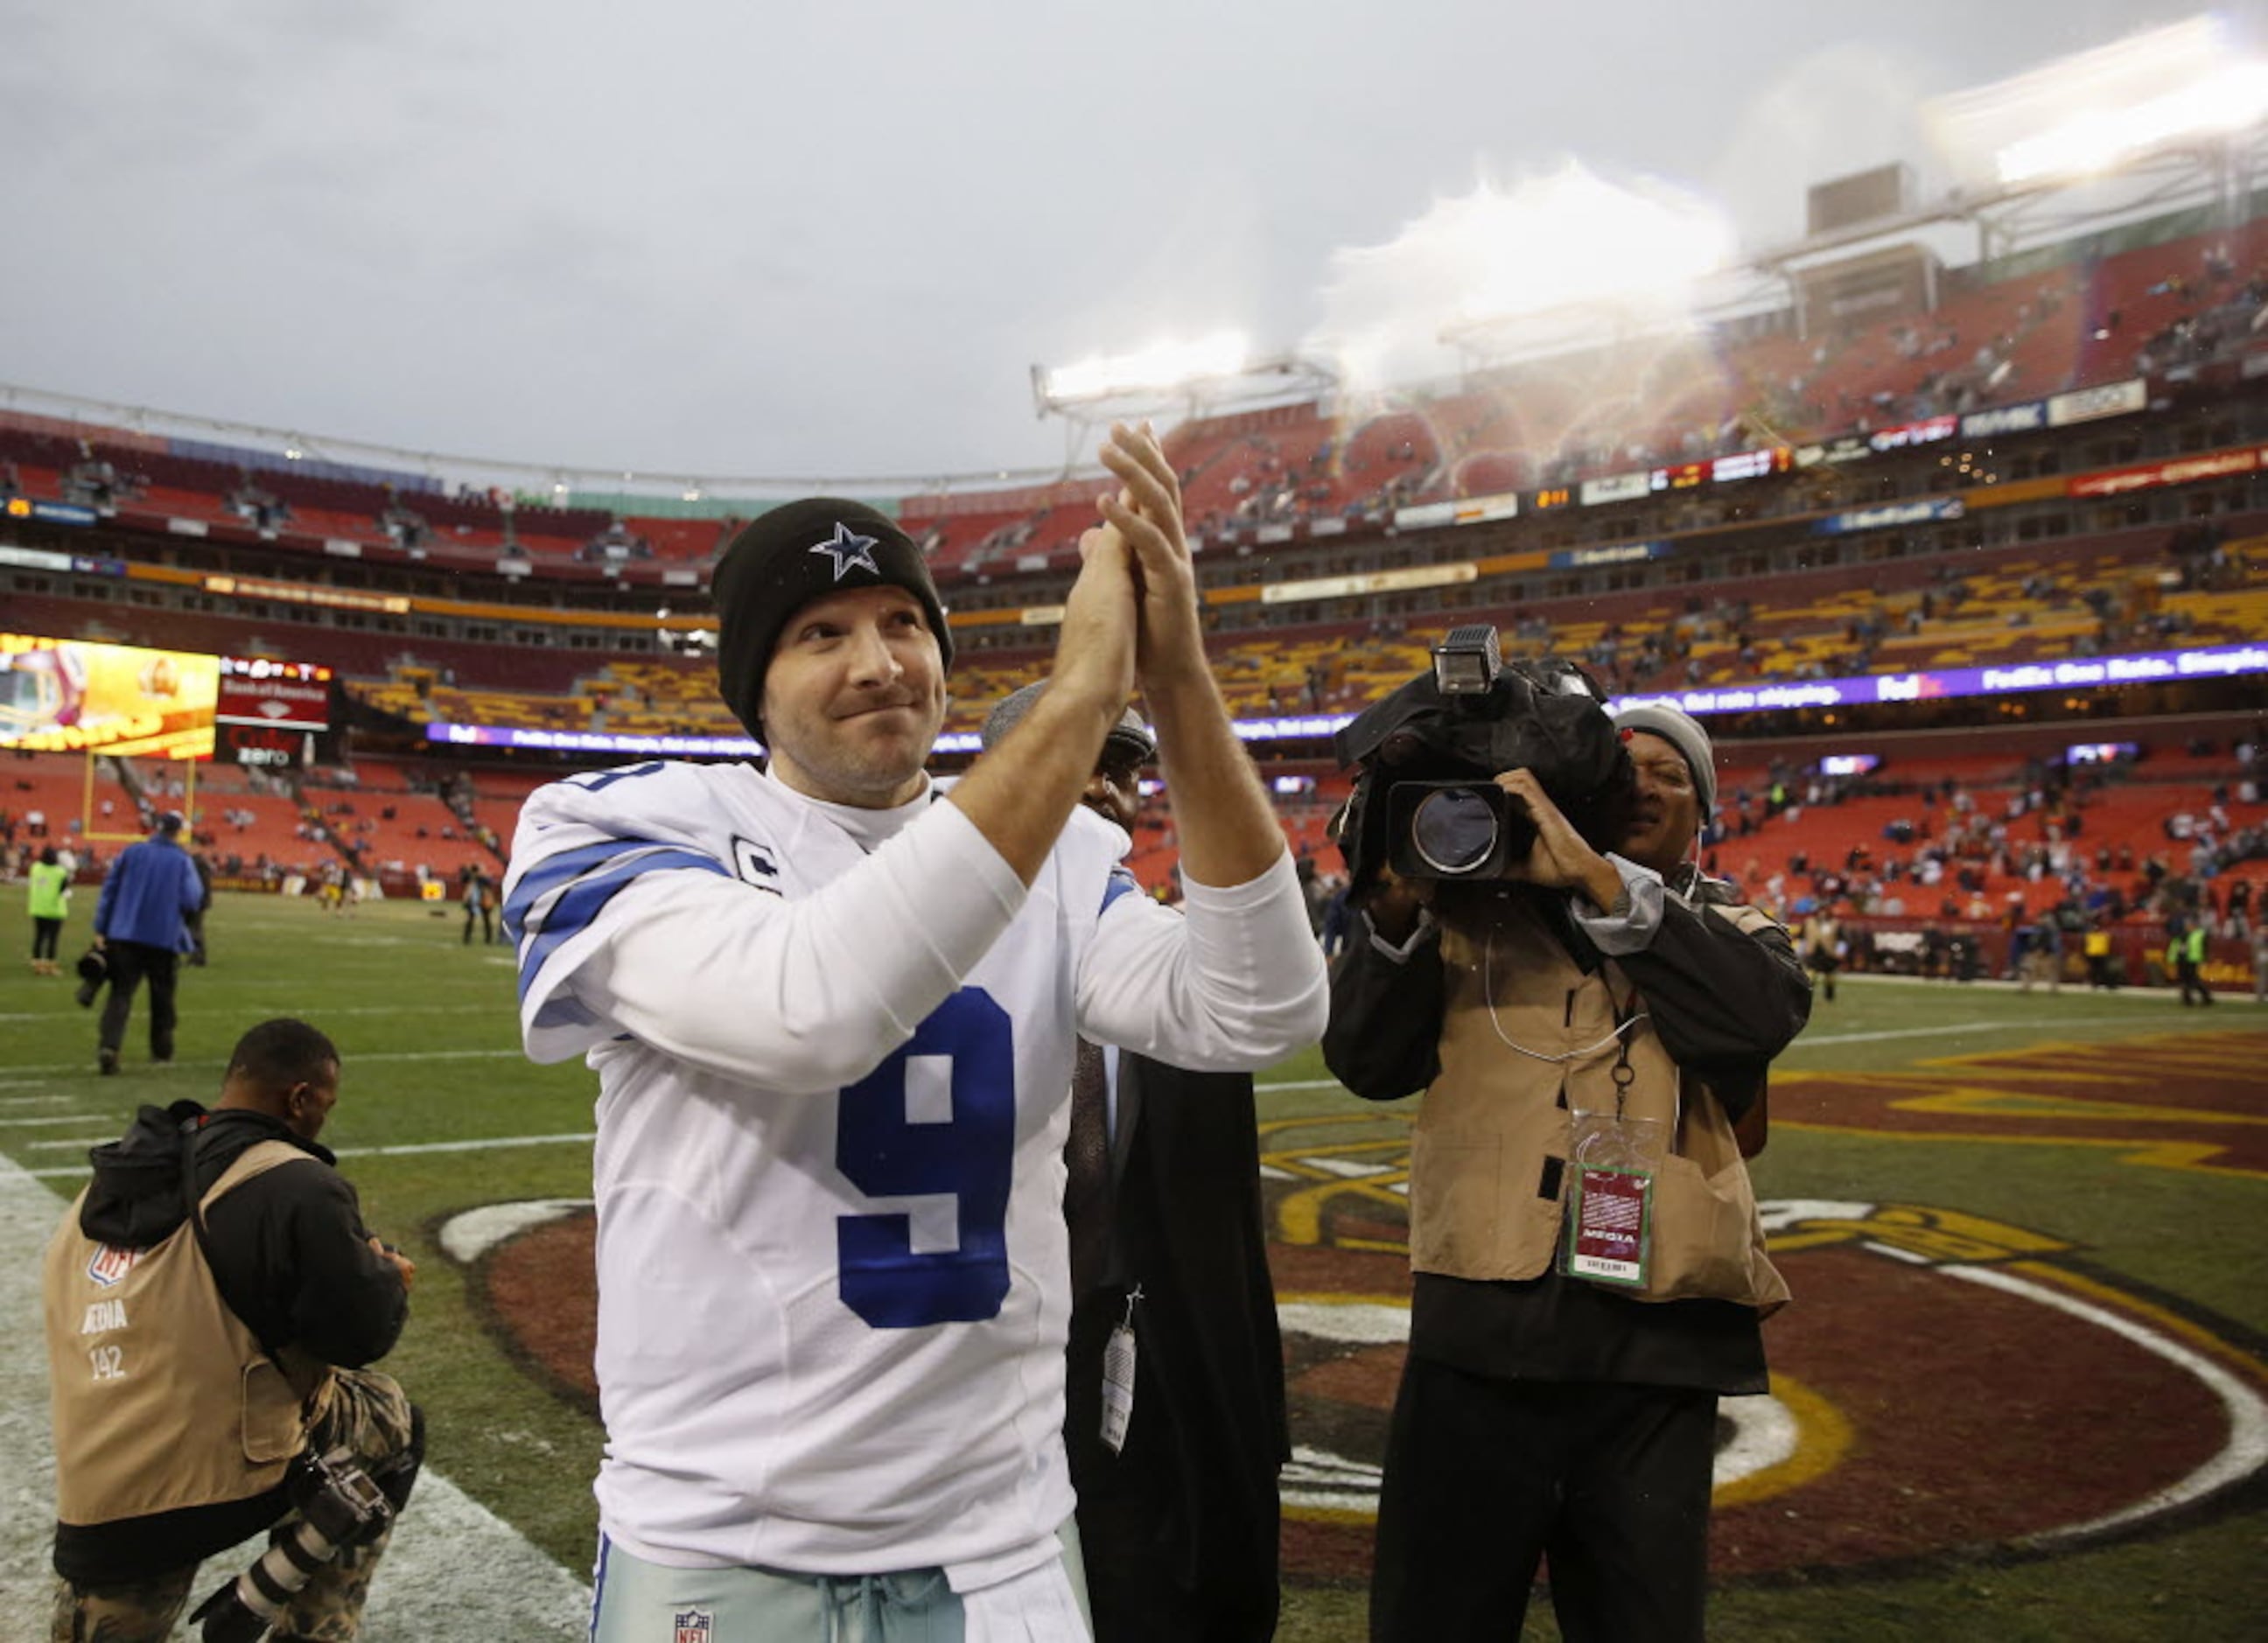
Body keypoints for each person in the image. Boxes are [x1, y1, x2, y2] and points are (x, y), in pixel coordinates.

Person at [502, 424, 1326, 1640]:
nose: (880, 662)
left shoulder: (1067, 855)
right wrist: (1086, 693)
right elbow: (812, 1008)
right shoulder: (619, 822)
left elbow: (1259, 1006)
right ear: (753, 684)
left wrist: (1182, 684)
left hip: (997, 1531)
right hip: (724, 1539)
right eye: (821, 633)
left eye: (904, 623)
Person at [1324, 699, 1811, 1642]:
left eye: (1672, 775)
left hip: (1657, 1349)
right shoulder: (1469, 916)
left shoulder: (1736, 927)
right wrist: (1394, 906)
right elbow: (1366, 1064)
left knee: (1640, 1622)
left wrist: (1600, 880)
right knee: (1435, 1620)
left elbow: (1755, 1019)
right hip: (1478, 1332)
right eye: (1625, 769)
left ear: (1704, 814)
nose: (1644, 786)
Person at [983, 682, 1289, 1643]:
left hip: (1146, 1350)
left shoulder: (1177, 963)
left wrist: (1251, 1402)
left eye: (1124, 770)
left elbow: (1227, 1219)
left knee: (1155, 1596)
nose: (1112, 791)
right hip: (989, 1356)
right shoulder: (929, 961)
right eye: (1084, 763)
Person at [42, 1017, 423, 1642]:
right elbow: (358, 1337)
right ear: (299, 1099)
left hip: (97, 1492)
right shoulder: (295, 1182)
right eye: (324, 1105)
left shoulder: (102, 1188)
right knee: (392, 1418)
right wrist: (386, 1280)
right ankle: (299, 1613)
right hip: (221, 1467)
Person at [90, 811, 204, 1075]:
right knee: (162, 996)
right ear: (177, 832)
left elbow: (110, 890)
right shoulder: (181, 860)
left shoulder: (132, 853)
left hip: (125, 934)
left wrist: (101, 928)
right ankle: (161, 1049)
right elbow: (192, 898)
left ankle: (110, 1046)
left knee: (120, 994)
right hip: (163, 938)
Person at [28, 842, 69, 975]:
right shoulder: (60, 872)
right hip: (54, 910)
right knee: (53, 938)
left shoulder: (35, 868)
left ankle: (37, 962)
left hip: (37, 908)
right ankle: (51, 965)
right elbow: (64, 889)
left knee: (39, 936)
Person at [1799, 905, 1842, 1002]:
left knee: (1829, 977)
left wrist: (1840, 951)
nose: (1822, 914)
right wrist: (1801, 950)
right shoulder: (1809, 922)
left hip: (1829, 953)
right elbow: (1802, 938)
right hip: (1813, 953)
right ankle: (1807, 996)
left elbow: (1841, 939)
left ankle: (1829, 997)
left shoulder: (1835, 923)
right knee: (1811, 976)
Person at [2176, 917, 2215, 1006]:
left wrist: (2205, 958)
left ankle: (2204, 997)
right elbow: (2182, 947)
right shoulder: (2185, 934)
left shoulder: (2200, 934)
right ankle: (2188, 999)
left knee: (2193, 980)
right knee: (2186, 979)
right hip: (2185, 959)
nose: (2187, 926)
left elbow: (2205, 947)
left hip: (2194, 959)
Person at [462, 863, 497, 946]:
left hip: (484, 900)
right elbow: (463, 879)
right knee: (471, 920)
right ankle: (467, 938)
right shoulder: (471, 878)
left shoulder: (483, 878)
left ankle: (488, 939)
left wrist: (481, 874)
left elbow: (489, 883)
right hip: (475, 900)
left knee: (486, 920)